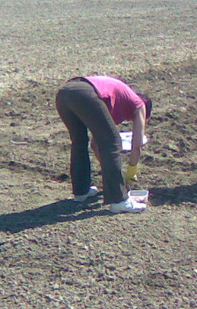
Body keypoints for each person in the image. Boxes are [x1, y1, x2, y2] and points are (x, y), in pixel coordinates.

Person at [56, 75, 152, 213]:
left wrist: (111, 172)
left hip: (64, 93)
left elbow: (95, 145)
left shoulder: (112, 100)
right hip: (83, 92)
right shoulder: (139, 104)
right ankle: (119, 200)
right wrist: (131, 171)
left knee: (79, 141)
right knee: (113, 141)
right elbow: (137, 144)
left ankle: (81, 191)